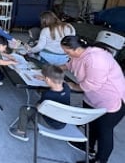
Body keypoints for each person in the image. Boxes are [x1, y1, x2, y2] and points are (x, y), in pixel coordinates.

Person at [60, 35, 125, 163]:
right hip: (93, 96)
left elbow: (90, 85)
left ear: (76, 49)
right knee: (92, 122)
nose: (65, 54)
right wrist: (55, 69)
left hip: (111, 99)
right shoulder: (79, 55)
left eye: (67, 52)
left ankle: (100, 160)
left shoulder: (96, 59)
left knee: (104, 131)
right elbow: (70, 65)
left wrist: (71, 85)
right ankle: (88, 146)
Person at [9, 64, 71, 142]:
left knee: (24, 109)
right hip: (62, 122)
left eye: (45, 78)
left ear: (48, 79)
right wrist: (44, 78)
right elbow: (61, 81)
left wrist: (36, 105)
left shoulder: (48, 94)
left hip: (49, 122)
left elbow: (38, 108)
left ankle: (21, 131)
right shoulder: (66, 87)